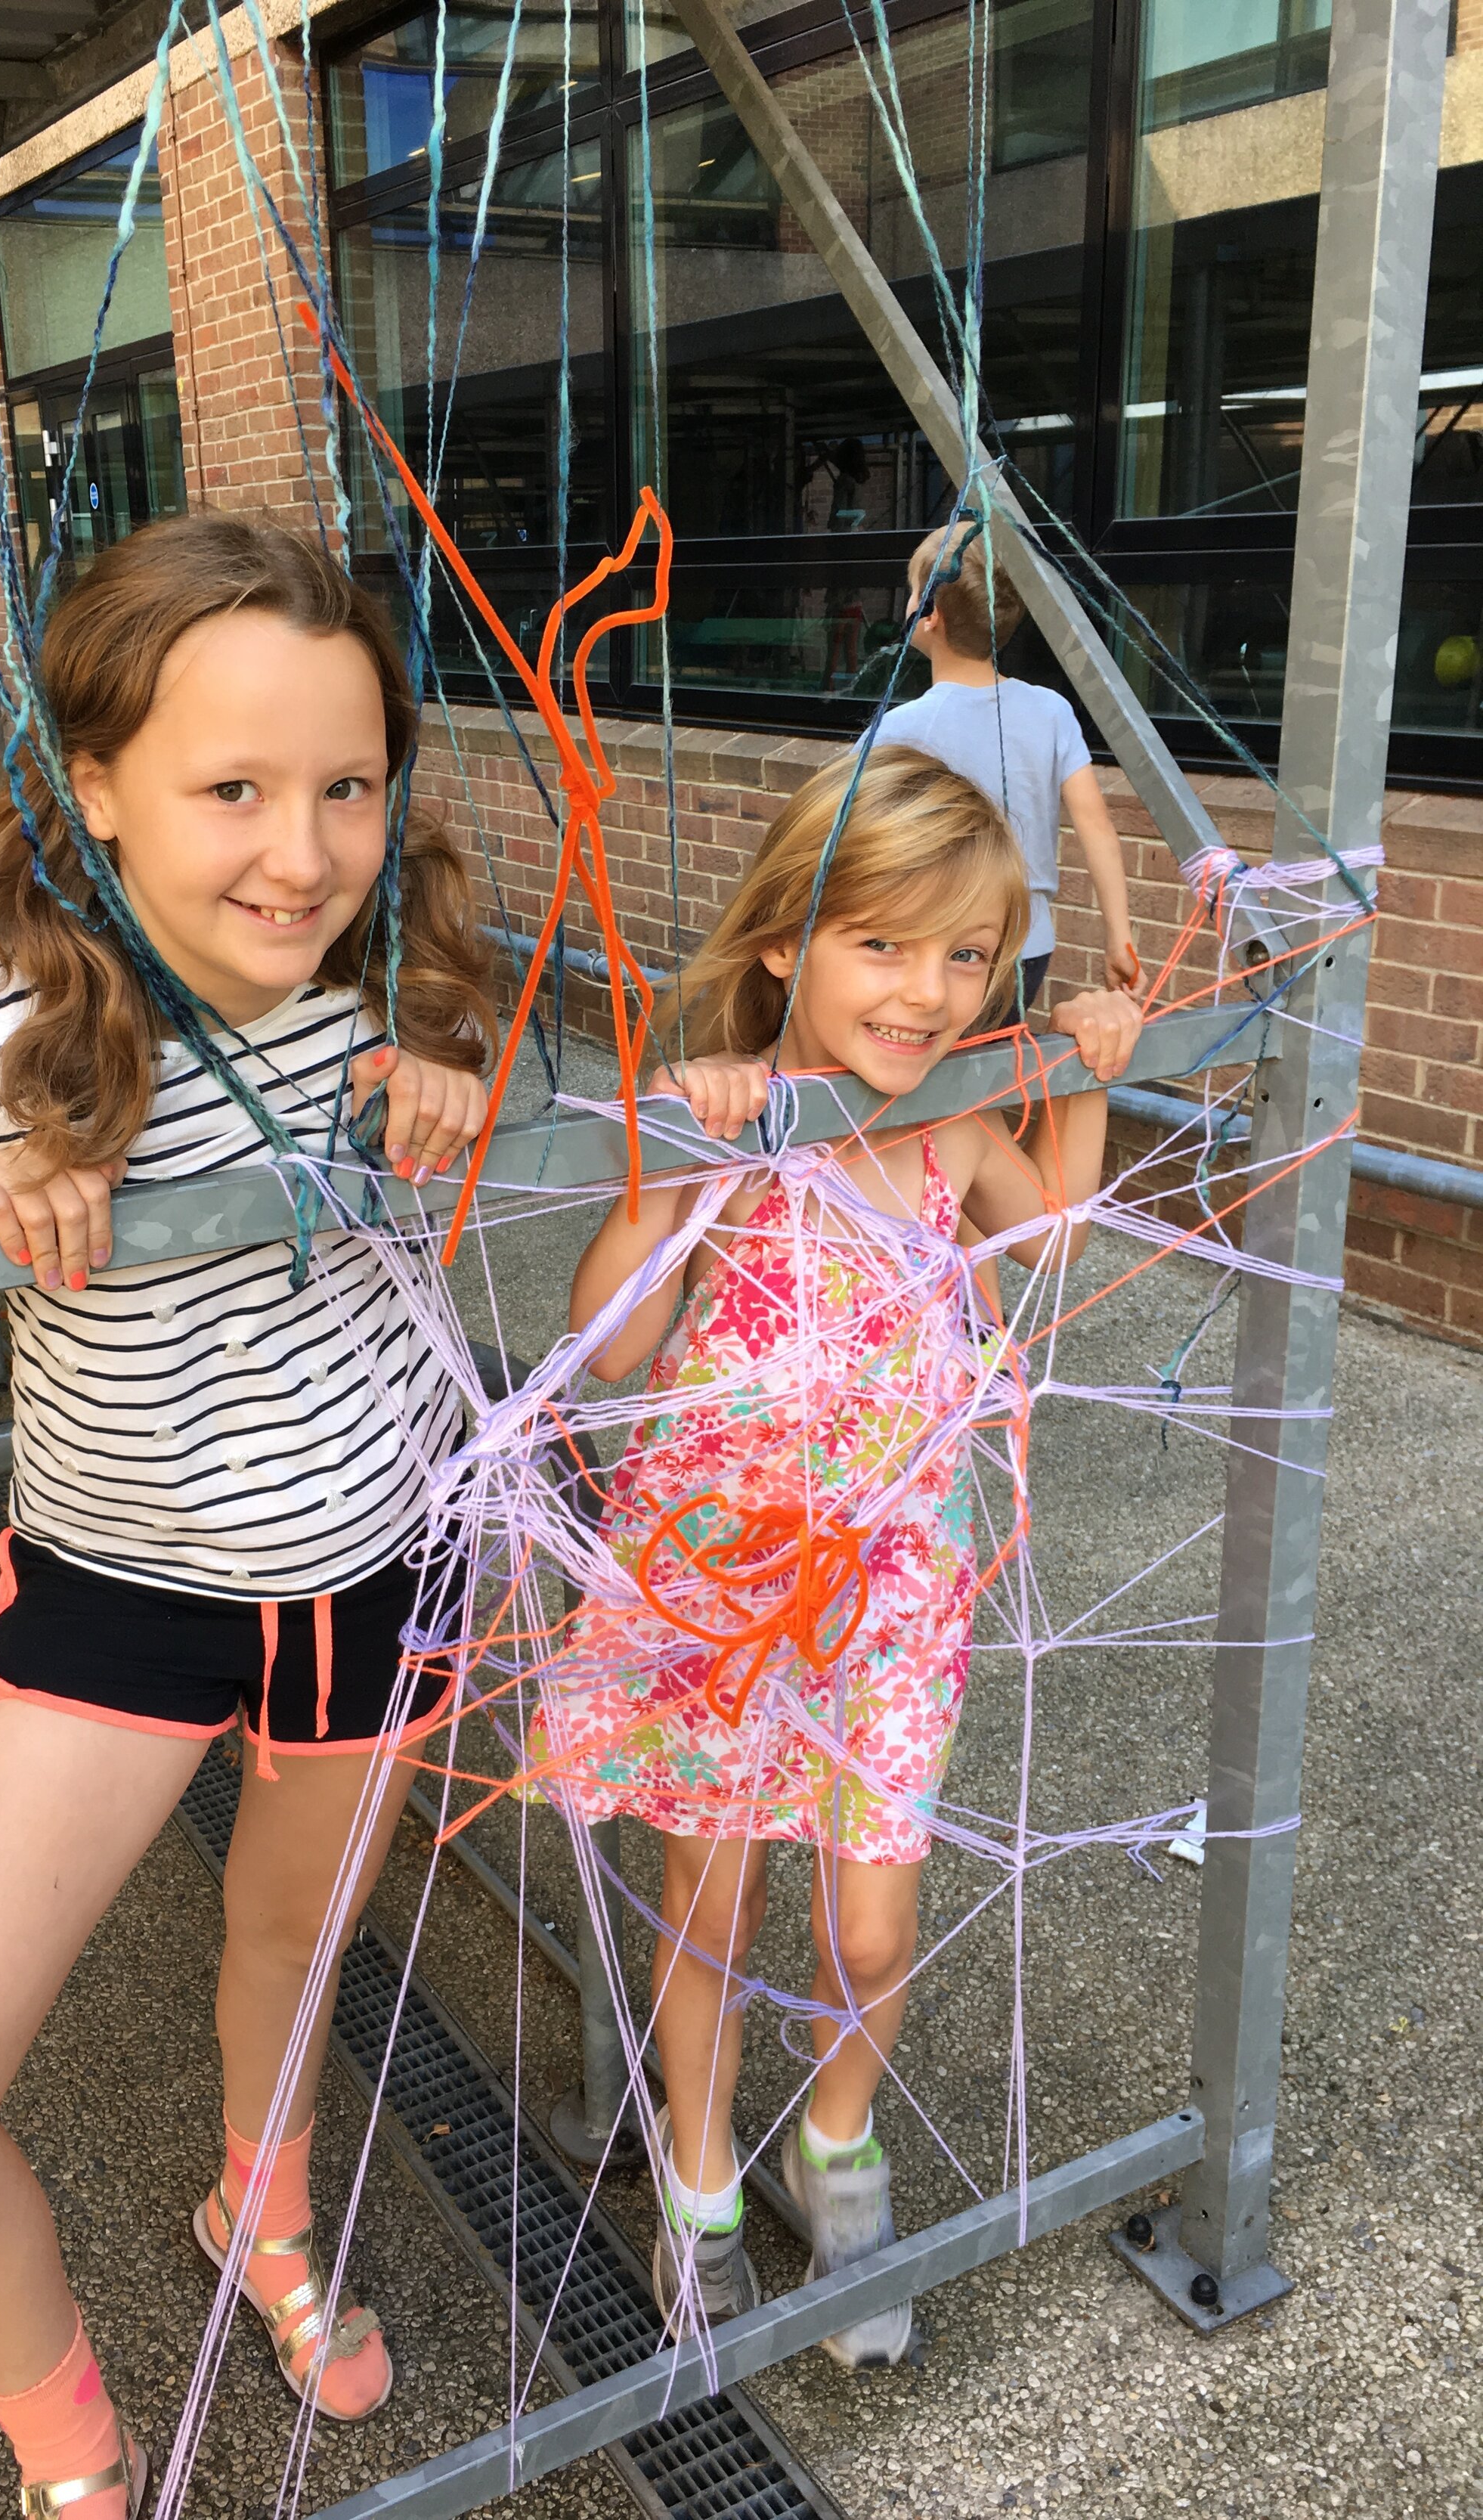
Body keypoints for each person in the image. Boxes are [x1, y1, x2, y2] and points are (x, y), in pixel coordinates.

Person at [0, 513, 497, 2514]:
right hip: (118, 1590)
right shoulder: (3, 1024)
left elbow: (473, 1088)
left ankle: (261, 2211)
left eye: (346, 785)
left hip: (380, 1568)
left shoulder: (391, 969)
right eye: (230, 789)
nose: (303, 852)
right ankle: (73, 2454)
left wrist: (450, 1069)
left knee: (293, 1941)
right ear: (93, 790)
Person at [542, 749, 1141, 2365]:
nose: (928, 991)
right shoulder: (741, 1126)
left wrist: (1084, 1066)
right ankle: (696, 2188)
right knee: (713, 1909)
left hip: (895, 1597)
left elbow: (1047, 1254)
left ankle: (835, 2144)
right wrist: (681, 1150)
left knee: (870, 1928)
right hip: (718, 1591)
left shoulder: (949, 1125)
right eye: (882, 944)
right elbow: (612, 1347)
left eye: (968, 954)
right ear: (780, 944)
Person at [872, 520, 1141, 1015]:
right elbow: (1097, 828)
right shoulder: (1051, 710)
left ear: (930, 616)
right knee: (998, 1059)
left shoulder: (898, 729)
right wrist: (1119, 939)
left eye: (912, 592)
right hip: (1028, 949)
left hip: (941, 953)